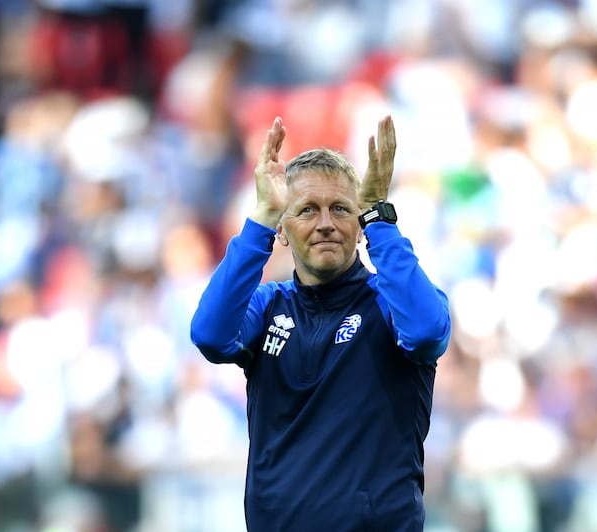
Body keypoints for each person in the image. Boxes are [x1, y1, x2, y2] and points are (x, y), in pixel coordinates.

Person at [190, 114, 452, 531]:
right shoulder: (268, 307)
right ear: (283, 229)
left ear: (358, 222)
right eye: (308, 210)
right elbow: (209, 336)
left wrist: (380, 221)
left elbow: (426, 331)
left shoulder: (391, 303)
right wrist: (260, 219)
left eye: (341, 209)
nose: (326, 223)